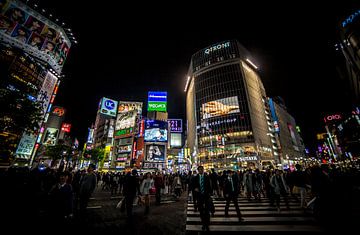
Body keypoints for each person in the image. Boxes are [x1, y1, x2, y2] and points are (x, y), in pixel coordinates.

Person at [193, 166, 212, 231]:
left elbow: (209, 186)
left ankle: (207, 224)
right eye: (200, 170)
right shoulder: (195, 178)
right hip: (199, 196)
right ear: (198, 170)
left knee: (207, 211)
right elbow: (193, 186)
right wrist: (195, 189)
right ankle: (203, 224)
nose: (201, 170)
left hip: (206, 196)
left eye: (202, 169)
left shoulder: (207, 177)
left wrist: (210, 194)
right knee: (201, 211)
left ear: (203, 170)